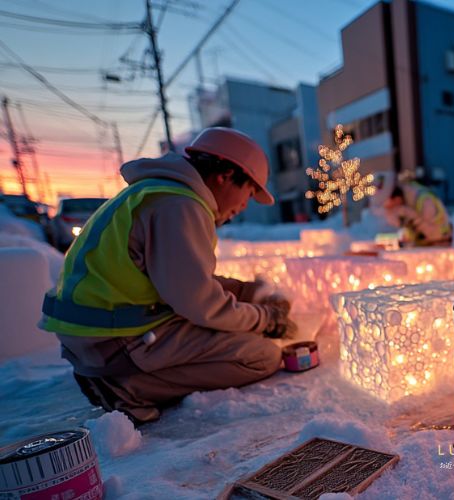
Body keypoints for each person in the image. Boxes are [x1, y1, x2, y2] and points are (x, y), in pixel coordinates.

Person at [40, 127, 296, 424]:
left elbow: (180, 279)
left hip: (101, 328)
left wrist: (249, 292)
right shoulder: (180, 206)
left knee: (235, 323)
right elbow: (202, 306)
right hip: (115, 339)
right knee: (261, 356)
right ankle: (128, 388)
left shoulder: (158, 193)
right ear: (225, 175)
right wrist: (264, 319)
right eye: (248, 193)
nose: (243, 206)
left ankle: (125, 376)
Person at [371, 170, 452, 247]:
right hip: (424, 249)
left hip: (440, 246)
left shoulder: (425, 201)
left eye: (388, 206)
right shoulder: (406, 205)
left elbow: (435, 235)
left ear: (395, 198)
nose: (388, 209)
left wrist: (414, 219)